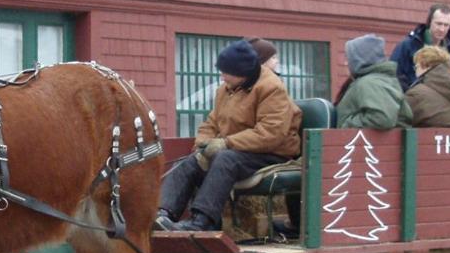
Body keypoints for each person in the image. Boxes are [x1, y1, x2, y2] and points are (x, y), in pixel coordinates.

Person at [156, 39, 302, 232]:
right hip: (238, 149)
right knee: (189, 162)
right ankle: (163, 214)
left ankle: (201, 222)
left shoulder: (271, 88)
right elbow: (211, 122)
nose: (222, 77)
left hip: (271, 151)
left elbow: (271, 133)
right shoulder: (225, 90)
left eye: (227, 72)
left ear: (243, 73)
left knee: (226, 160)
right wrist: (202, 146)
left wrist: (226, 143)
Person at [335, 34, 412, 130]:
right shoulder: (379, 79)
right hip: (366, 143)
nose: (346, 63)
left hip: (362, 143)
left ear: (360, 59)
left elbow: (382, 118)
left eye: (349, 58)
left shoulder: (370, 82)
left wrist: (346, 124)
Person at [390, 4, 450, 90]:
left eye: (446, 25)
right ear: (429, 22)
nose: (442, 29)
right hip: (414, 99)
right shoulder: (408, 45)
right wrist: (410, 91)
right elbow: (393, 73)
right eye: (438, 24)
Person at [404, 45, 450, 127]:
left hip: (422, 139)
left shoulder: (417, 94)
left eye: (416, 67)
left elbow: (400, 119)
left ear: (425, 65)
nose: (415, 72)